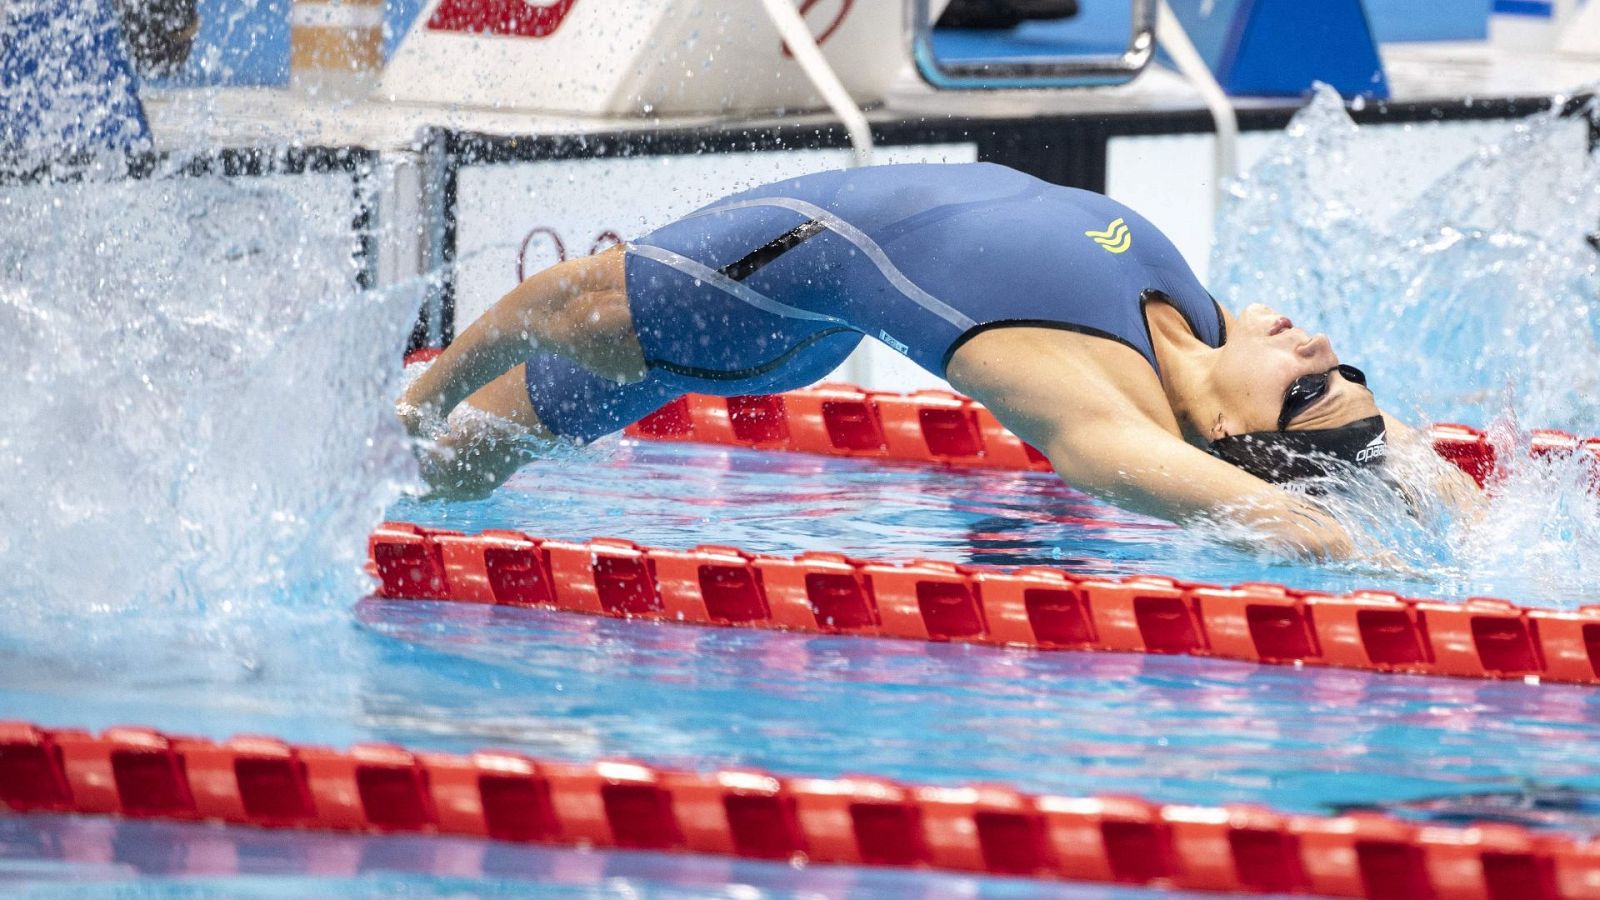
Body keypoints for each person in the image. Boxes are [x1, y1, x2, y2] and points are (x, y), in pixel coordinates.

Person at [398, 162, 1478, 558]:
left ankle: (398, 433)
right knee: (473, 456)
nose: (1319, 346)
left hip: (764, 287)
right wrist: (1463, 515)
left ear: (1239, 439)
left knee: (556, 325)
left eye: (1306, 387)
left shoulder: (1091, 409)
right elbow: (1373, 459)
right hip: (804, 309)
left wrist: (421, 390)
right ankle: (400, 475)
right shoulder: (1200, 325)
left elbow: (1291, 518)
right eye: (1343, 368)